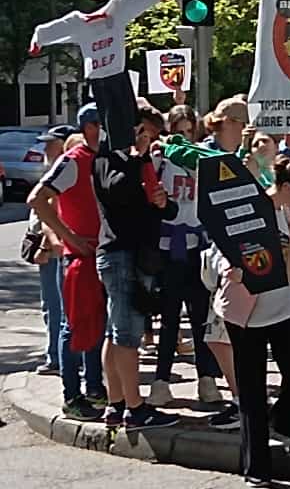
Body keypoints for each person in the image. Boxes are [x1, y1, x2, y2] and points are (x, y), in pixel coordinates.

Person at [212, 158, 290, 487]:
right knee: (253, 389)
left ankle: (285, 424)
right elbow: (218, 243)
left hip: (284, 308)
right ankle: (256, 466)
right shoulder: (251, 206)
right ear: (286, 188)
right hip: (246, 313)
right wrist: (228, 267)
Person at [93, 103, 180, 430]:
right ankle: (134, 407)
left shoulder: (136, 162)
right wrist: (136, 156)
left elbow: (155, 205)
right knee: (126, 334)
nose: (148, 141)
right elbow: (118, 190)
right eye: (144, 132)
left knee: (117, 332)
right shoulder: (109, 158)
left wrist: (163, 204)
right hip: (121, 254)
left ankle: (117, 404)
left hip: (136, 252)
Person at [28, 106, 108, 421]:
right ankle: (72, 396)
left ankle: (95, 388)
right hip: (79, 257)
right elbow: (37, 199)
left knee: (97, 323)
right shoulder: (73, 161)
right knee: (72, 325)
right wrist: (69, 237)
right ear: (89, 127)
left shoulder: (105, 158)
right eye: (102, 123)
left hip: (102, 254)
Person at [149, 105, 222, 410]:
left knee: (199, 318)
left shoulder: (201, 159)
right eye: (177, 129)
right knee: (168, 319)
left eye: (188, 129)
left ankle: (206, 380)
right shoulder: (160, 158)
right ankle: (161, 382)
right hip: (169, 246)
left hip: (197, 245)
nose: (183, 135)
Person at [30, 124, 74, 376]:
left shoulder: (63, 173)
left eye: (51, 143)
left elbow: (55, 214)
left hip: (56, 249)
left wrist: (46, 247)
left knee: (57, 307)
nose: (46, 148)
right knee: (54, 307)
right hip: (54, 247)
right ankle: (57, 356)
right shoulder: (56, 170)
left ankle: (58, 358)